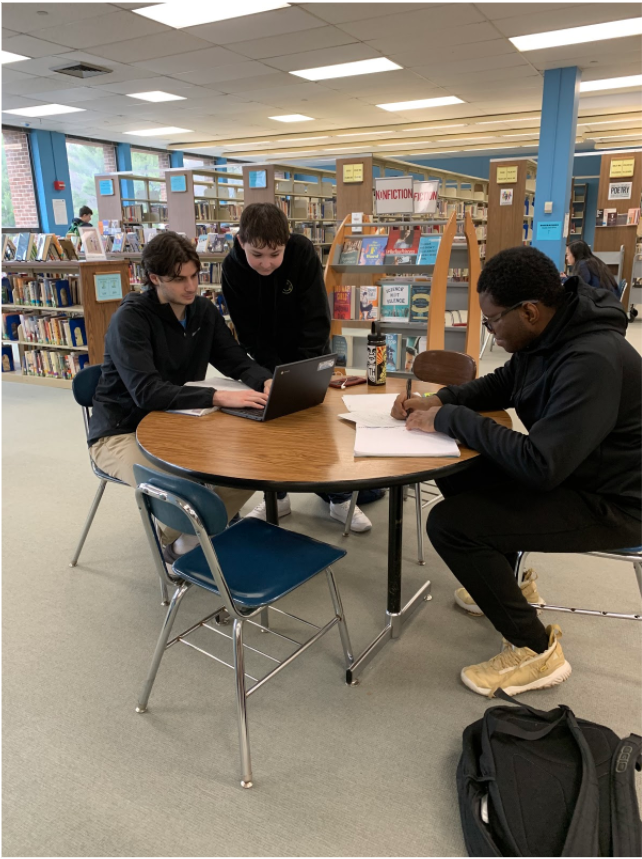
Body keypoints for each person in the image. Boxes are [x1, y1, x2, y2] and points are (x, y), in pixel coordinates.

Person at [391, 246, 641, 698]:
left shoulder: (591, 360)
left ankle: (536, 650)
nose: (488, 331)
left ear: (528, 311)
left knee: (450, 526)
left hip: (614, 501)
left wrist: (453, 419)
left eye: (491, 321)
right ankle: (507, 586)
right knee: (452, 463)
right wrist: (442, 401)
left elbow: (541, 466)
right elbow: (503, 383)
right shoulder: (550, 332)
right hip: (577, 472)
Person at [88, 231, 273, 560]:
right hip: (121, 430)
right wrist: (217, 397)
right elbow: (147, 392)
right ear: (154, 278)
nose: (191, 287)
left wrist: (266, 381)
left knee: (253, 465)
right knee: (179, 492)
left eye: (194, 276)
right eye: (179, 279)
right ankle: (185, 540)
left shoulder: (201, 310)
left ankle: (197, 530)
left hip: (181, 421)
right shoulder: (130, 319)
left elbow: (234, 359)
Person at [221, 202, 383, 532]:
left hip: (308, 353)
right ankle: (277, 499)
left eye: (274, 254)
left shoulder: (303, 253)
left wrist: (302, 371)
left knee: (317, 427)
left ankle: (339, 499)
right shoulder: (232, 268)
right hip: (265, 358)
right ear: (240, 242)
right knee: (270, 430)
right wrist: (273, 374)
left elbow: (316, 318)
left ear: (287, 242)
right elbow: (247, 330)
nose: (266, 264)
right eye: (256, 254)